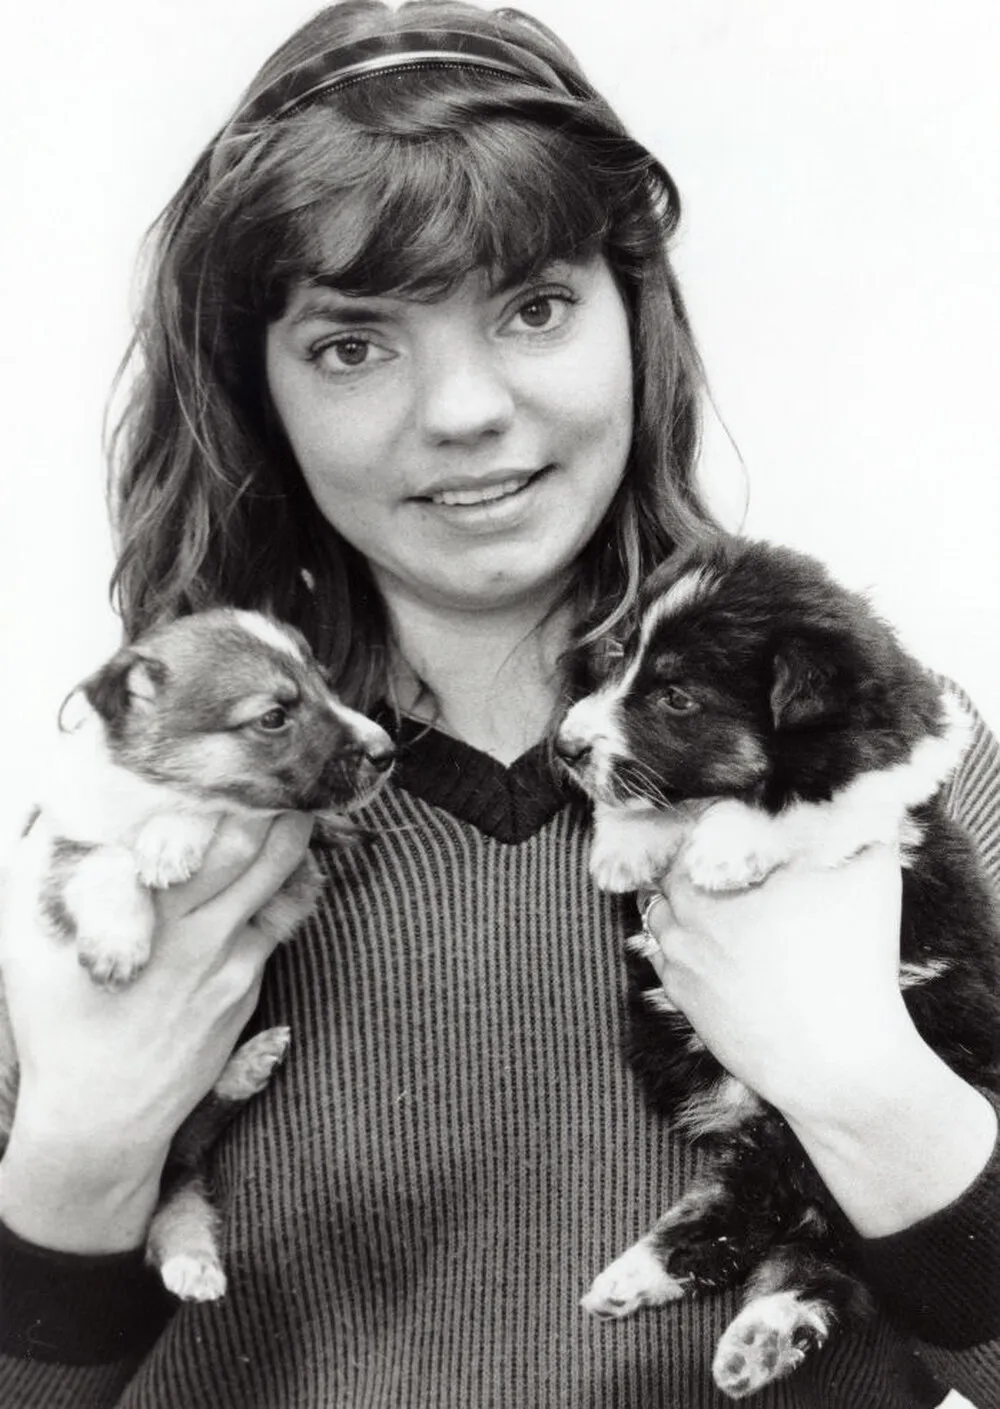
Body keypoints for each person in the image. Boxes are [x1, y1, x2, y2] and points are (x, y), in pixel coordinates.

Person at [1, 3, 998, 1406]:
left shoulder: (884, 759)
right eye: (354, 343)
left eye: (534, 307)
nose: (465, 409)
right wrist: (83, 1148)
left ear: (635, 317)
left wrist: (870, 1087)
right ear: (257, 389)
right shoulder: (146, 830)